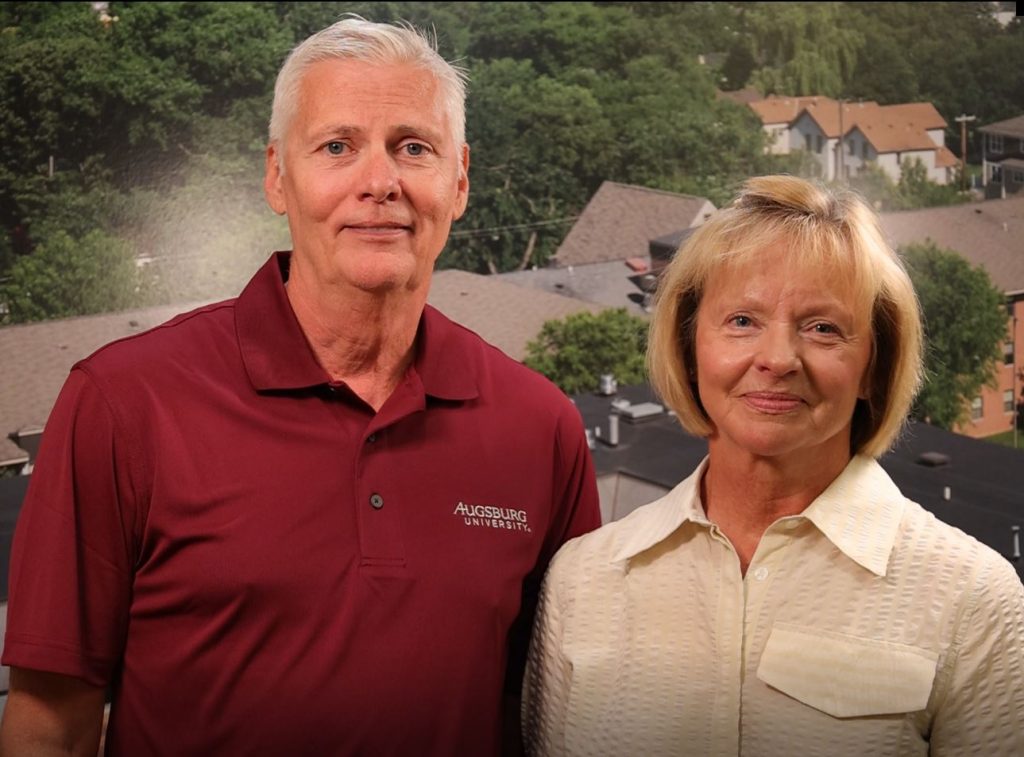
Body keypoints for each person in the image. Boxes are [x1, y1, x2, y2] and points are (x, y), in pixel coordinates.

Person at [0, 17, 600, 756]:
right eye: (337, 147)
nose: (379, 182)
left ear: (461, 181)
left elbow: (542, 714)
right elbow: (48, 724)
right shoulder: (124, 404)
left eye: (414, 147)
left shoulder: (538, 428)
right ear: (278, 176)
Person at [522, 175, 1024, 756]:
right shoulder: (583, 582)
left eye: (823, 328)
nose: (778, 359)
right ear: (689, 350)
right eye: (742, 321)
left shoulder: (974, 601)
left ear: (873, 367)